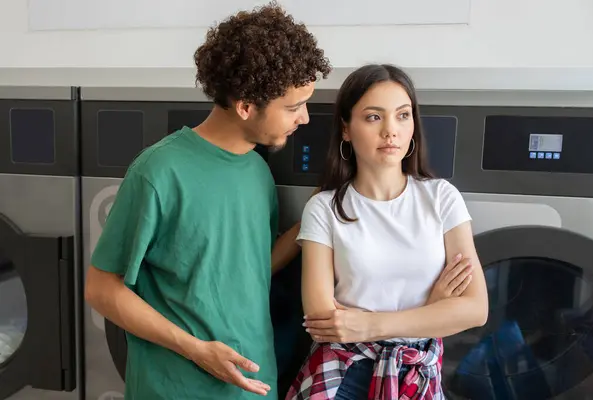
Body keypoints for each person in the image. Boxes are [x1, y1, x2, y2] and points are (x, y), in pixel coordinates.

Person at [84, 3, 332, 399]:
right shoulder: (158, 171)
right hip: (174, 389)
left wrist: (318, 214)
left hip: (254, 385)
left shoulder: (257, 172)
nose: (304, 119)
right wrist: (196, 350)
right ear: (246, 106)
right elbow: (101, 288)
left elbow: (248, 271)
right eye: (293, 107)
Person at [285, 64, 489, 400]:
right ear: (346, 129)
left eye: (402, 115)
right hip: (343, 375)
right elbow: (324, 321)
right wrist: (431, 308)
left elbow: (476, 309)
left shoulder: (441, 197)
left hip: (417, 373)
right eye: (373, 117)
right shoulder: (324, 208)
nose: (390, 131)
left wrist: (368, 324)